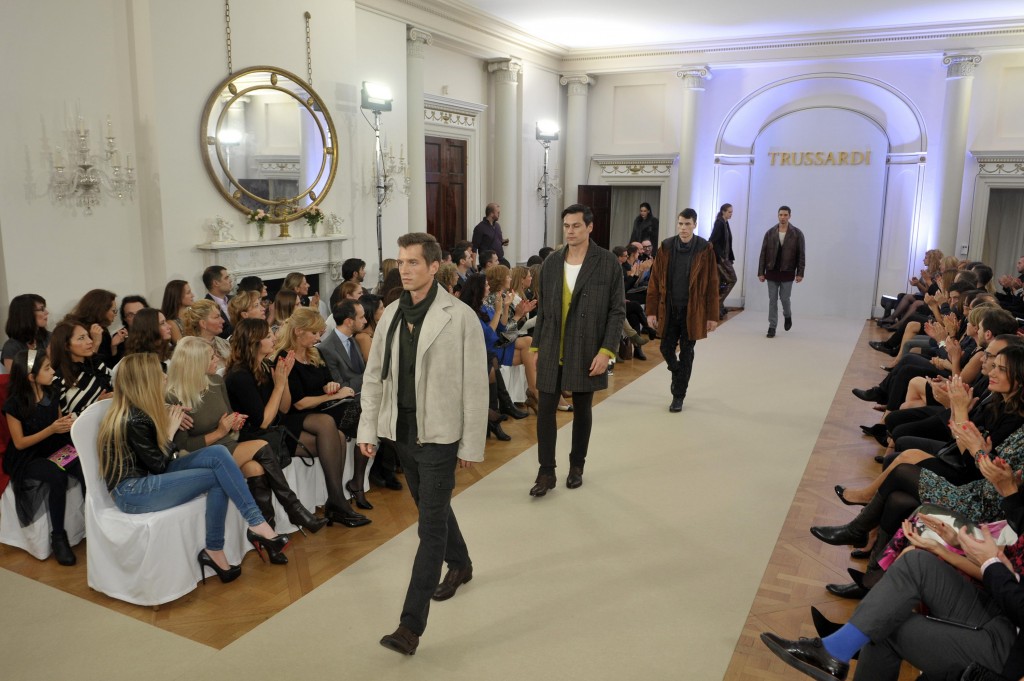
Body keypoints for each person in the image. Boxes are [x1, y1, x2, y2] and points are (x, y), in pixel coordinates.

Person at [358, 232, 488, 655]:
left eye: (413, 262)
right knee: (434, 507)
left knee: (428, 528)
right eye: (401, 262)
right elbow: (374, 376)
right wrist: (367, 430)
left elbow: (475, 385)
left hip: (440, 436)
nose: (405, 269)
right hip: (401, 433)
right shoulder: (392, 314)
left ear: (434, 267)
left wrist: (471, 444)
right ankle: (461, 563)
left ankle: (409, 626)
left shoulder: (460, 317)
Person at [97, 353, 289, 581]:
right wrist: (170, 431)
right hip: (132, 491)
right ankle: (230, 540)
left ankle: (249, 528)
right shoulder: (133, 419)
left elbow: (159, 461)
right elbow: (159, 465)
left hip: (150, 476)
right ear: (145, 381)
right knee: (218, 475)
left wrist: (170, 414)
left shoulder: (140, 409)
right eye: (159, 374)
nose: (165, 377)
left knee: (218, 453)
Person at [167, 337, 324, 537]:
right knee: (262, 445)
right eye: (211, 357)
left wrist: (234, 424)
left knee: (255, 468)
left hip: (228, 445)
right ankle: (294, 509)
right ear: (196, 362)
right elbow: (183, 446)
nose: (217, 359)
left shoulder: (215, 382)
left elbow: (229, 420)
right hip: (202, 456)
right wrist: (219, 432)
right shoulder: (174, 397)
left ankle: (267, 533)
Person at [529, 204, 625, 497]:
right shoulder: (552, 263)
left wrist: (606, 351)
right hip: (551, 346)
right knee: (545, 410)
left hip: (586, 347)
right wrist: (536, 345)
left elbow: (616, 311)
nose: (570, 231)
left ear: (590, 227)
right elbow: (544, 309)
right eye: (566, 226)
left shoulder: (607, 262)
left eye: (576, 226)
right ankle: (546, 472)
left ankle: (576, 466)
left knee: (582, 409)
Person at [274, 308, 371, 529]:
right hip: (292, 418)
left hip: (317, 413)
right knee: (329, 423)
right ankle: (337, 501)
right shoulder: (285, 358)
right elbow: (297, 404)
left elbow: (325, 384)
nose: (318, 338)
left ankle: (336, 501)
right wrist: (333, 395)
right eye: (314, 333)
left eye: (319, 333)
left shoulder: (314, 354)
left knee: (339, 434)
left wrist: (331, 387)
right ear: (298, 331)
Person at [2, 350, 82, 566]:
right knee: (57, 477)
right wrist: (52, 429)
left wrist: (67, 425)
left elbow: (58, 425)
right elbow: (20, 443)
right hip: (27, 457)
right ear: (31, 376)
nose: (53, 371)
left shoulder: (52, 392)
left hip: (52, 447)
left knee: (84, 464)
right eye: (47, 368)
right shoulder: (14, 405)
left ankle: (93, 521)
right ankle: (58, 537)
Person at [645, 208, 720, 412]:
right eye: (680, 224)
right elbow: (654, 280)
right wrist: (651, 311)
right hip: (669, 309)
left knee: (687, 352)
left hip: (692, 311)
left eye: (687, 224)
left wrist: (712, 316)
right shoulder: (666, 246)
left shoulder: (705, 248)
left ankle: (678, 396)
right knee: (665, 348)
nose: (683, 228)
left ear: (695, 224)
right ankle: (678, 373)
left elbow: (712, 283)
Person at [317, 299, 373, 509]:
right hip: (340, 405)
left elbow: (355, 377)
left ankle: (359, 481)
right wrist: (369, 377)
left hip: (359, 398)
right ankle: (357, 483)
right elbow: (340, 385)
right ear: (349, 321)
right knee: (369, 421)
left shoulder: (352, 340)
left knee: (383, 413)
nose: (365, 321)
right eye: (361, 317)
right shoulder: (327, 347)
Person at [757, 205, 806, 338]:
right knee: (772, 300)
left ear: (790, 216)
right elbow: (763, 253)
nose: (783, 217)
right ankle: (772, 326)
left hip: (787, 271)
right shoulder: (770, 232)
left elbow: (801, 255)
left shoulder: (797, 233)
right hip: (771, 271)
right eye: (781, 215)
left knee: (784, 298)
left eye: (785, 215)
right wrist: (761, 272)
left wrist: (800, 273)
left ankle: (787, 315)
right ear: (778, 215)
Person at [49, 319, 113, 416]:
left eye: (87, 336)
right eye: (81, 338)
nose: (90, 341)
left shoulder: (95, 362)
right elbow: (63, 420)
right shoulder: (57, 378)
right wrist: (96, 406)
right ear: (66, 346)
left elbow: (111, 388)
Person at [69, 289, 127, 366]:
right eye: (113, 311)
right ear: (102, 310)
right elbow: (85, 367)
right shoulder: (76, 330)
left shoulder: (102, 329)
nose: (115, 314)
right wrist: (96, 343)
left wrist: (113, 346)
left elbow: (109, 365)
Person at [2, 294, 50, 372]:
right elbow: (19, 377)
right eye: (42, 309)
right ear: (27, 314)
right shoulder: (11, 347)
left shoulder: (49, 337)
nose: (47, 312)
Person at [181, 300, 230, 374]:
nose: (223, 321)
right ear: (203, 323)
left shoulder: (225, 343)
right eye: (216, 317)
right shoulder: (189, 350)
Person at [709, 203, 737, 319]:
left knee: (721, 282)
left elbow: (727, 243)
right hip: (720, 259)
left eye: (731, 212)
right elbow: (712, 240)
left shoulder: (725, 223)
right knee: (732, 279)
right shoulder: (719, 223)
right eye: (729, 212)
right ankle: (716, 304)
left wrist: (729, 258)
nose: (731, 214)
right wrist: (720, 257)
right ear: (723, 212)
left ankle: (718, 307)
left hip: (724, 258)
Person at [202, 265, 234, 339]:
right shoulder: (205, 307)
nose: (230, 280)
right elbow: (218, 335)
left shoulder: (234, 299)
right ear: (216, 283)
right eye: (226, 278)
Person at [160, 279, 196, 343]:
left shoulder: (193, 315)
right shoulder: (171, 323)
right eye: (188, 293)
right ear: (178, 297)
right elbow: (182, 346)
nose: (193, 295)